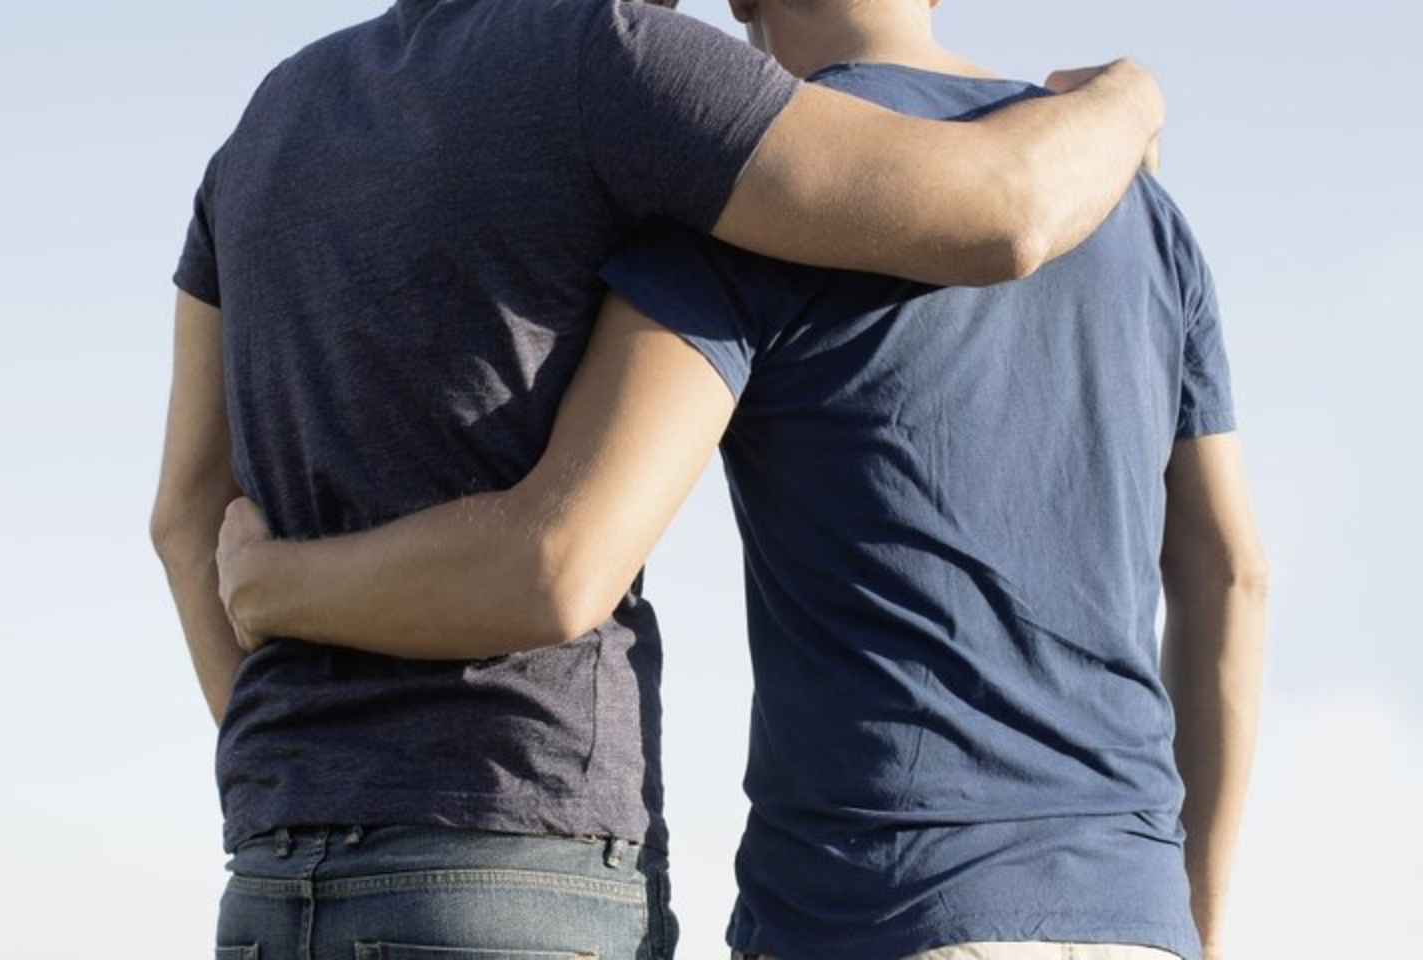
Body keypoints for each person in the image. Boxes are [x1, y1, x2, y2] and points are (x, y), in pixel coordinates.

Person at [208, 1, 1266, 959]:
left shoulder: (752, 208)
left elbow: (562, 551)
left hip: (872, 908)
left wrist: (270, 587)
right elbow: (1231, 577)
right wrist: (1193, 921)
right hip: (1138, 916)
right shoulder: (1137, 207)